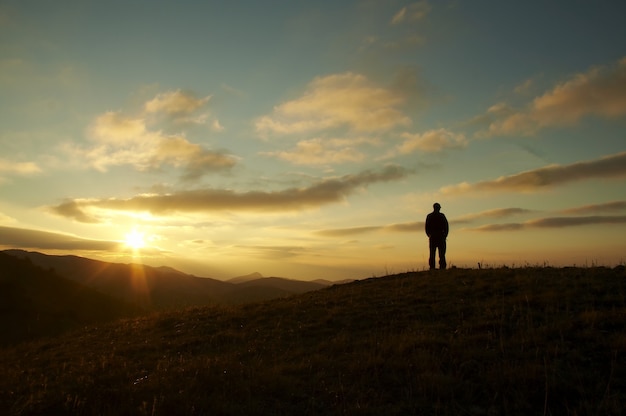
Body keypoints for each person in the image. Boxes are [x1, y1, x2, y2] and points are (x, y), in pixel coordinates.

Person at [425, 202, 449, 270]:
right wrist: (445, 235)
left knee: (434, 253)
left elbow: (426, 228)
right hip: (439, 237)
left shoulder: (430, 216)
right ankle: (441, 267)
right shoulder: (441, 216)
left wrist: (429, 235)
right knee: (440, 253)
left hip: (434, 237)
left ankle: (434, 267)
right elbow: (446, 226)